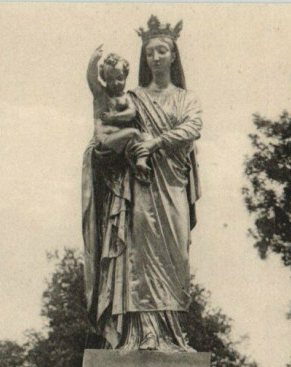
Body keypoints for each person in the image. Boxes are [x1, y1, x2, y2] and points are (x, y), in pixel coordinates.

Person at [82, 16, 202, 350]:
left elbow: (192, 127)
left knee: (176, 257)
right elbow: (104, 136)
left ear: (173, 55)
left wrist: (155, 143)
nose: (156, 57)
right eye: (150, 53)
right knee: (139, 257)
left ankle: (172, 334)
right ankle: (142, 333)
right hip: (139, 189)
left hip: (173, 186)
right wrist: (108, 150)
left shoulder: (187, 99)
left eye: (162, 51)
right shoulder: (133, 97)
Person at [86, 46, 151, 182]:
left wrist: (113, 117)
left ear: (126, 76)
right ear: (104, 78)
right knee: (134, 133)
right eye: (110, 79)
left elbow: (132, 113)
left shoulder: (126, 97)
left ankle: (141, 161)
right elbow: (91, 78)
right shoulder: (100, 94)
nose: (115, 83)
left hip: (121, 141)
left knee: (147, 137)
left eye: (120, 78)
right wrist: (93, 61)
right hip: (104, 141)